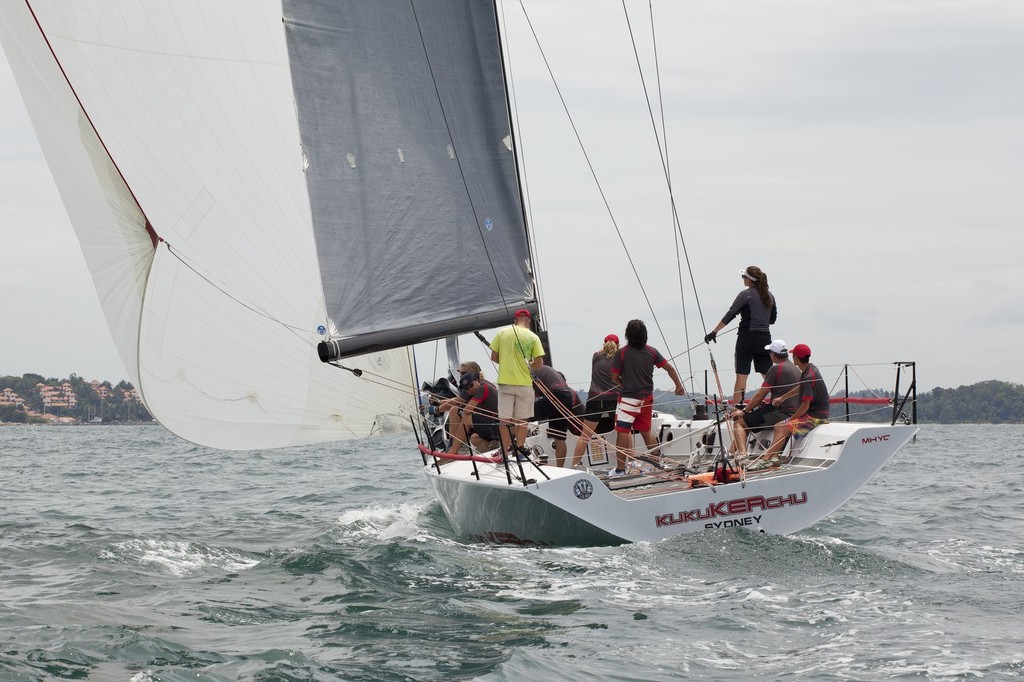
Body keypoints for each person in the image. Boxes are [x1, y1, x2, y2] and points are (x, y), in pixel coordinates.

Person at [610, 319, 685, 476]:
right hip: (647, 398)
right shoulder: (652, 351)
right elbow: (669, 368)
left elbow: (614, 377)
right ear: (645, 335)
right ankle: (657, 464)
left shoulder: (622, 353)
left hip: (628, 399)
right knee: (645, 430)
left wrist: (622, 383)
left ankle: (620, 470)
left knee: (622, 432)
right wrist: (678, 386)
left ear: (627, 335)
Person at [704, 265, 778, 407]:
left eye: (743, 276)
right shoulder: (770, 296)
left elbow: (731, 314)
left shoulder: (745, 294)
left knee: (742, 375)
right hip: (765, 338)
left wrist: (714, 332)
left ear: (749, 280)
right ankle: (781, 402)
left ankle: (738, 408)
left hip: (747, 338)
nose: (742, 279)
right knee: (768, 375)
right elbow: (772, 320)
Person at [756, 343, 830, 464]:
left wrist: (791, 418)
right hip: (815, 412)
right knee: (778, 425)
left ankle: (765, 459)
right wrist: (783, 398)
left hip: (816, 416)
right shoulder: (810, 369)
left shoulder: (807, 376)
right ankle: (774, 457)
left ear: (796, 358)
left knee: (784, 426)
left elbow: (805, 405)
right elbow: (801, 387)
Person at [728, 339, 802, 456]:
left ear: (773, 354)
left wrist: (744, 411)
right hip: (795, 412)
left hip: (780, 412)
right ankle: (731, 453)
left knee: (740, 423)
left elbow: (760, 395)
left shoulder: (776, 369)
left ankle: (742, 455)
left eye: (769, 353)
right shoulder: (797, 369)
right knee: (748, 421)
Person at [489, 308, 545, 457]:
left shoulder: (502, 333)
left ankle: (505, 452)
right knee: (522, 421)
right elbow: (539, 363)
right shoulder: (533, 337)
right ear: (528, 321)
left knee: (504, 421)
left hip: (505, 382)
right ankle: (519, 449)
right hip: (524, 383)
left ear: (515, 320)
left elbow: (494, 357)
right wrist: (528, 366)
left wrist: (507, 363)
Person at [570, 334, 621, 469]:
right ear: (618, 345)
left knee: (585, 436)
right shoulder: (620, 359)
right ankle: (624, 465)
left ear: (604, 344)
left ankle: (574, 466)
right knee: (624, 432)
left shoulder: (595, 356)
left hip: (595, 399)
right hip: (613, 400)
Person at [531, 363, 582, 467]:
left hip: (555, 395)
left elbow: (529, 396)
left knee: (522, 416)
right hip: (566, 397)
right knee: (559, 438)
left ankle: (515, 449)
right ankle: (560, 469)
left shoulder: (529, 371)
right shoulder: (546, 370)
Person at [449, 372, 501, 454]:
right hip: (495, 427)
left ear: (477, 380)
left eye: (471, 385)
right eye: (466, 389)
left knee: (467, 418)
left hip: (498, 426)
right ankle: (492, 445)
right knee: (474, 438)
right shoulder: (480, 390)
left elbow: (467, 410)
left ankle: (452, 451)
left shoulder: (482, 388)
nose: (470, 389)